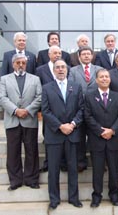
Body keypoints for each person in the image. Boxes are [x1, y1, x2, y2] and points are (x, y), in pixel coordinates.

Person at [41, 59, 84, 210]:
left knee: (73, 168)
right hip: (54, 135)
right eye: (57, 67)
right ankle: (54, 199)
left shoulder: (76, 87)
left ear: (67, 70)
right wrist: (60, 126)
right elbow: (45, 111)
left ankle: (74, 198)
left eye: (63, 67)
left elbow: (81, 109)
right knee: (53, 170)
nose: (60, 70)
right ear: (53, 70)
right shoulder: (46, 88)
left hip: (72, 134)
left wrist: (72, 124)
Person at [0, 53, 41, 191]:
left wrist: (27, 110)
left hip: (29, 120)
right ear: (13, 64)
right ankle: (15, 180)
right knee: (13, 152)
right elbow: (2, 98)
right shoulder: (5, 79)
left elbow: (39, 97)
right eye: (18, 63)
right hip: (12, 120)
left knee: (31, 151)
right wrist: (16, 110)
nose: (21, 65)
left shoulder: (35, 79)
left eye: (23, 62)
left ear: (26, 64)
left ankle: (31, 179)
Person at [85, 69, 118, 208]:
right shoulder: (89, 96)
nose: (104, 79)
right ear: (96, 80)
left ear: (110, 79)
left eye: (106, 77)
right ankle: (97, 196)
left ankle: (114, 195)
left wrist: (112, 130)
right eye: (101, 77)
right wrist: (101, 131)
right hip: (97, 139)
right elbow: (88, 116)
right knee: (97, 170)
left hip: (113, 139)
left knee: (114, 169)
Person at [69, 46, 103, 172]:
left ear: (92, 56)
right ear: (79, 56)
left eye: (89, 54)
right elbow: (71, 88)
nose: (86, 56)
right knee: (80, 137)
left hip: (95, 108)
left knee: (95, 137)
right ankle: (81, 163)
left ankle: (98, 163)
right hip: (79, 108)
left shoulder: (99, 70)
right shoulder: (73, 71)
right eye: (84, 54)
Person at [35, 45, 67, 173]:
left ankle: (63, 162)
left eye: (59, 53)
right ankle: (49, 162)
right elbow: (38, 89)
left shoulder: (66, 69)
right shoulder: (40, 70)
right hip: (49, 110)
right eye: (55, 53)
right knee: (49, 138)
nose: (57, 55)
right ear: (49, 54)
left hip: (64, 111)